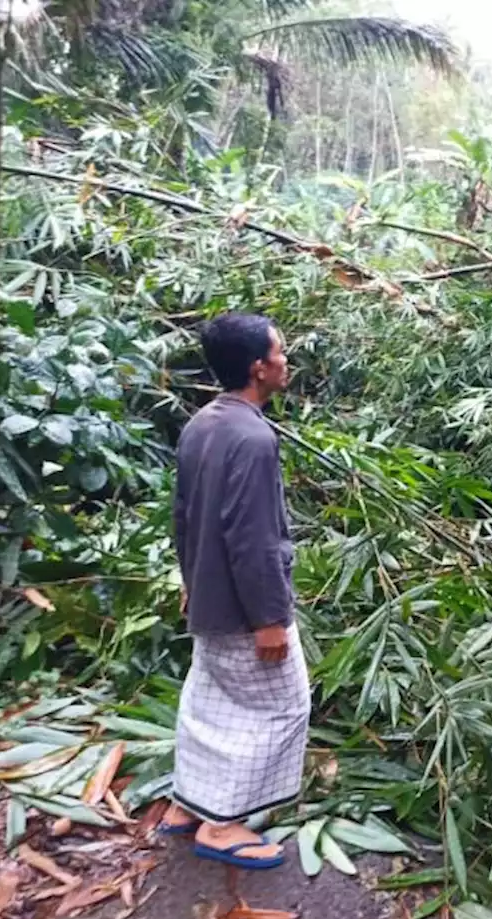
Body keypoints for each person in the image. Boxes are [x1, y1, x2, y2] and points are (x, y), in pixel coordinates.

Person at [160, 312, 310, 871]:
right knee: (285, 706)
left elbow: (185, 517)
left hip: (210, 601)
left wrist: (190, 581)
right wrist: (270, 619)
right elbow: (254, 540)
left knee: (210, 700)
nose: (285, 360)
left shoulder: (202, 423)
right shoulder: (252, 437)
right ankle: (223, 826)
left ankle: (189, 804)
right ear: (258, 367)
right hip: (247, 612)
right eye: (280, 352)